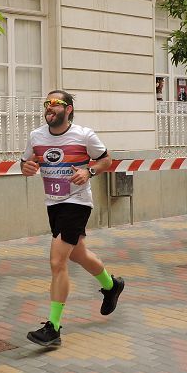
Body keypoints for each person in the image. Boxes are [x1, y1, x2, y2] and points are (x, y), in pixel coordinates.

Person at [20, 90, 124, 347]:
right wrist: (27, 167)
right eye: (47, 103)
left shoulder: (83, 135)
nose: (50, 107)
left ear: (68, 110)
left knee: (57, 261)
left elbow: (106, 161)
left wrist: (89, 171)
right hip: (53, 204)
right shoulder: (36, 136)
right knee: (78, 254)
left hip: (77, 203)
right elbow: (25, 163)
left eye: (56, 104)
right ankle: (111, 286)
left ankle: (53, 328)